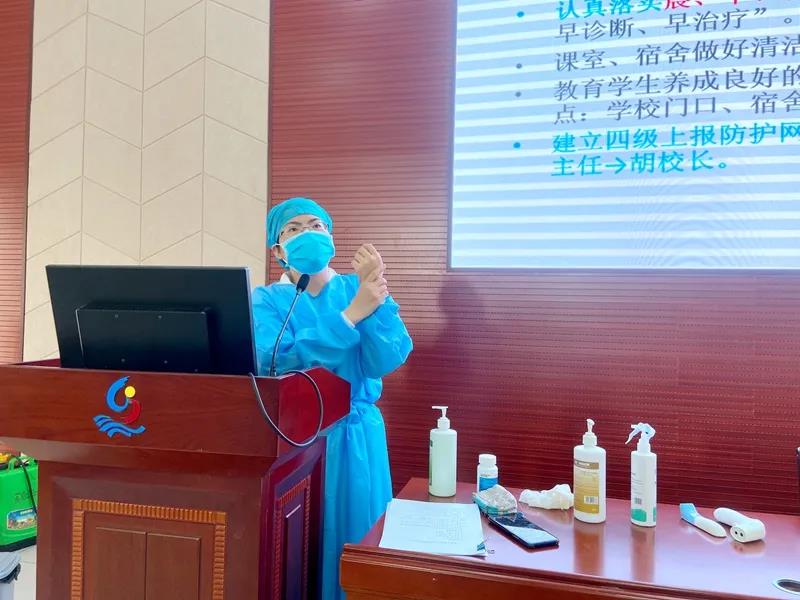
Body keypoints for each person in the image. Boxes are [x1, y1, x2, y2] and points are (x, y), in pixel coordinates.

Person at [252, 197, 413, 599]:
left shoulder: (358, 288)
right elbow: (275, 360)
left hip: (356, 439)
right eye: (293, 229)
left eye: (316, 225)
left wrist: (373, 300)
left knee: (358, 538)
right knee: (300, 548)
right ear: (278, 250)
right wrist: (348, 317)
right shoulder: (267, 300)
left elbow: (384, 358)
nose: (307, 233)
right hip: (296, 441)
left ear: (331, 237)